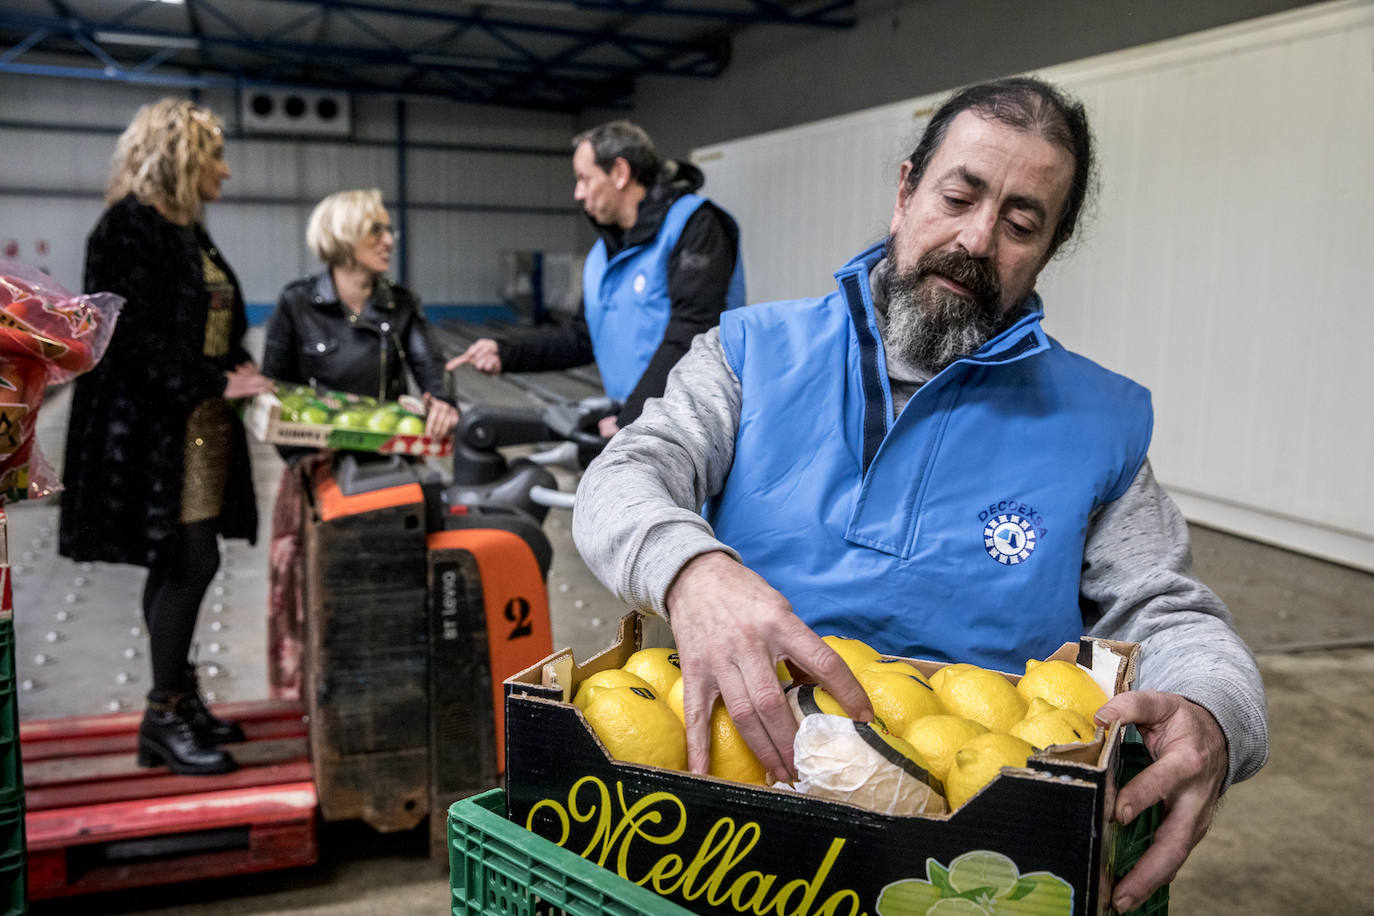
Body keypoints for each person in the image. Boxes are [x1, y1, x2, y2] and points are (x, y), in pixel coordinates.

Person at [572, 77, 1269, 912]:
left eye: (1020, 223)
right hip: (727, 821)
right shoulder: (752, 353)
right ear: (905, 193)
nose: (976, 240)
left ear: (1048, 249)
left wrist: (1217, 710)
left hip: (971, 851)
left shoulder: (1097, 422)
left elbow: (1167, 610)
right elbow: (623, 476)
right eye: (959, 195)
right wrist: (693, 572)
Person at [59, 99, 274, 775]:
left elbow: (207, 321)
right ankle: (161, 714)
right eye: (216, 156)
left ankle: (180, 701)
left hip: (200, 425)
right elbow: (126, 334)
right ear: (182, 156)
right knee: (188, 562)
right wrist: (211, 381)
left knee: (184, 559)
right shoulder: (126, 228)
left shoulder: (187, 232)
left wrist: (233, 366)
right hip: (158, 428)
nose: (226, 170)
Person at [260, 188, 459, 699]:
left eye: (387, 230)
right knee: (324, 590)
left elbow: (430, 366)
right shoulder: (297, 303)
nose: (389, 240)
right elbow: (272, 389)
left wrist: (441, 401)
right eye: (377, 230)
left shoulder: (400, 303)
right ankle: (330, 694)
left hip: (388, 470)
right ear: (345, 238)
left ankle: (394, 689)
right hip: (319, 474)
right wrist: (303, 456)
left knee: (393, 589)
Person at [446, 120, 745, 437]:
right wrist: (505, 352)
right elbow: (582, 339)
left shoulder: (695, 226)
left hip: (690, 427)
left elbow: (692, 333)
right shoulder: (602, 256)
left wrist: (630, 418)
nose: (578, 193)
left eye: (584, 179)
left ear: (619, 173)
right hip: (638, 424)